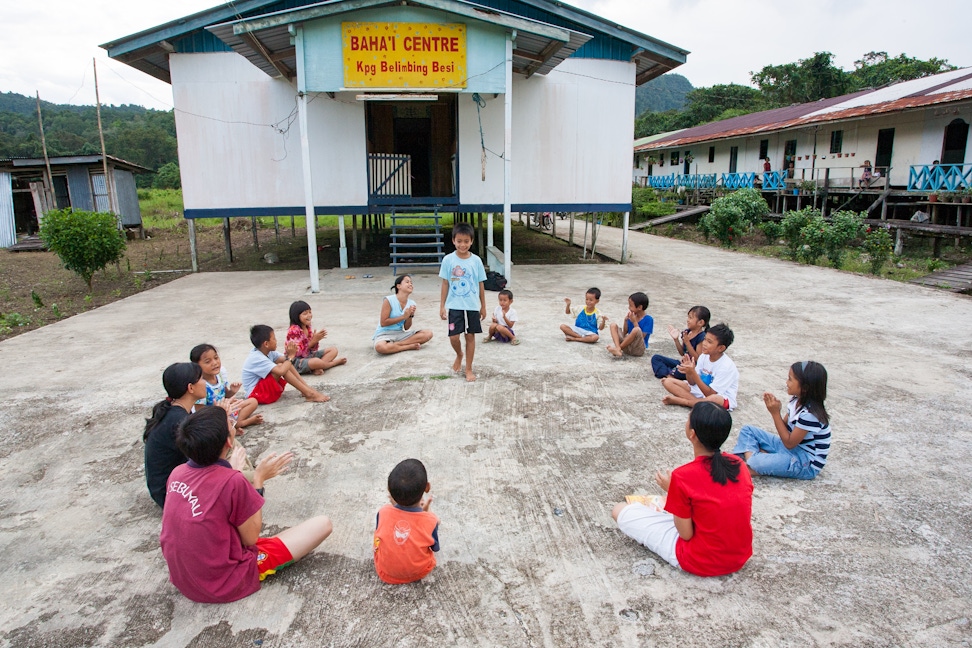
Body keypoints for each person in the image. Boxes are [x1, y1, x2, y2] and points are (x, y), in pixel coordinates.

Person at [160, 406, 332, 603]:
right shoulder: (233, 482)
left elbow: (210, 493)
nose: (233, 425)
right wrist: (258, 480)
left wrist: (231, 471)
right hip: (223, 583)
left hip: (185, 578)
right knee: (322, 524)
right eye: (231, 424)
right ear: (228, 441)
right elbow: (251, 538)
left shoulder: (177, 473)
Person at [612, 402, 753, 576]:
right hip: (738, 557)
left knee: (619, 510)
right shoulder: (738, 464)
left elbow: (685, 534)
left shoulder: (683, 476)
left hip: (699, 560)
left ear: (692, 434)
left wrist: (673, 492)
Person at [733, 361, 830, 479]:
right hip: (789, 448)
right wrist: (776, 410)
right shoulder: (795, 400)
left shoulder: (810, 415)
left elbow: (789, 443)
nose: (786, 382)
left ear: (804, 388)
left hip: (805, 463)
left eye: (790, 379)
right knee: (747, 430)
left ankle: (753, 463)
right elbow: (784, 429)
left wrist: (775, 414)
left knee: (757, 462)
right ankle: (758, 461)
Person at [143, 362, 207, 508]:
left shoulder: (176, 410)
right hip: (171, 494)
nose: (205, 382)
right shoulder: (179, 421)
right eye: (201, 379)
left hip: (168, 486)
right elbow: (203, 457)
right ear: (190, 388)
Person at [373, 458, 439, 584]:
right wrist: (425, 515)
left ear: (389, 490)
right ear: (427, 487)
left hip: (384, 571)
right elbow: (435, 548)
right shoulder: (431, 520)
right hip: (420, 571)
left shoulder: (383, 512)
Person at [439, 222, 487, 382]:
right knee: (453, 337)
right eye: (459, 241)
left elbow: (480, 284)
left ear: (471, 241)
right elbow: (445, 283)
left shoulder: (476, 261)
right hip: (454, 306)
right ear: (453, 240)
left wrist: (483, 306)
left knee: (470, 337)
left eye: (466, 241)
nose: (463, 244)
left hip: (472, 306)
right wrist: (442, 306)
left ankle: (468, 368)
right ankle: (459, 354)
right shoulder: (448, 260)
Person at [241, 325, 329, 404]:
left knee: (286, 363)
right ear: (266, 344)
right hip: (255, 394)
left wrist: (291, 353)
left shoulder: (268, 352)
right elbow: (281, 371)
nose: (276, 341)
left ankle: (306, 389)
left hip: (262, 387)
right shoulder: (257, 357)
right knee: (282, 367)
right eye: (274, 339)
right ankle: (309, 394)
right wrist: (290, 357)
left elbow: (285, 360)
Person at [660, 323, 738, 411]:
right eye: (705, 339)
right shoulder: (704, 356)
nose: (704, 343)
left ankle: (684, 402)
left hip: (719, 397)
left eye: (709, 342)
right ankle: (698, 403)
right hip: (700, 391)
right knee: (668, 381)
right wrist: (689, 372)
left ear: (721, 348)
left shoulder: (726, 366)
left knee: (714, 399)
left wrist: (693, 373)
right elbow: (692, 383)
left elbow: (710, 394)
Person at [190, 343, 262, 430]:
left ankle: (235, 424)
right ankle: (240, 423)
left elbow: (226, 394)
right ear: (197, 366)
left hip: (227, 410)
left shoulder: (220, 375)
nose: (215, 363)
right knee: (213, 426)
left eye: (216, 358)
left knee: (253, 401)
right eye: (208, 361)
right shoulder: (200, 385)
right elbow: (200, 412)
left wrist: (232, 391)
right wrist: (219, 409)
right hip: (213, 417)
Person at [374, 274, 433, 354]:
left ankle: (396, 345)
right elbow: (383, 323)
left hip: (399, 334)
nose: (410, 284)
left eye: (411, 282)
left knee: (428, 334)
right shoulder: (389, 300)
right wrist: (403, 317)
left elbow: (406, 327)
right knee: (380, 347)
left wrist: (410, 316)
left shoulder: (412, 303)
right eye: (407, 282)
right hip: (384, 334)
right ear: (399, 286)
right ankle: (408, 346)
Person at [285, 300, 347, 375]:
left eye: (310, 312)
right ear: (296, 316)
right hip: (296, 361)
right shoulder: (294, 331)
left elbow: (313, 349)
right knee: (316, 361)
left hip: (308, 356)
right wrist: (313, 341)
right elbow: (297, 353)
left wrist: (316, 340)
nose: (309, 315)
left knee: (333, 350)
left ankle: (317, 367)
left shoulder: (307, 327)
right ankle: (333, 363)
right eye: (305, 314)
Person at [651, 306, 710, 379]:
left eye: (691, 318)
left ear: (700, 322)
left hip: (692, 368)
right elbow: (682, 352)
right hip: (682, 363)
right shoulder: (687, 332)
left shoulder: (701, 337)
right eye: (688, 317)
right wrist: (676, 340)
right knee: (656, 358)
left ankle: (668, 374)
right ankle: (669, 374)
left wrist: (688, 343)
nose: (688, 320)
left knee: (678, 370)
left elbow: (698, 359)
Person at [607, 291, 653, 358]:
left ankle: (618, 349)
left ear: (639, 307)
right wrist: (625, 321)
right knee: (613, 325)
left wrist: (634, 322)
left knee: (636, 329)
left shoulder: (649, 319)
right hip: (627, 346)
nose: (629, 308)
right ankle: (618, 348)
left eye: (631, 306)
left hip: (637, 349)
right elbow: (625, 333)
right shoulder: (632, 316)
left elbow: (641, 336)